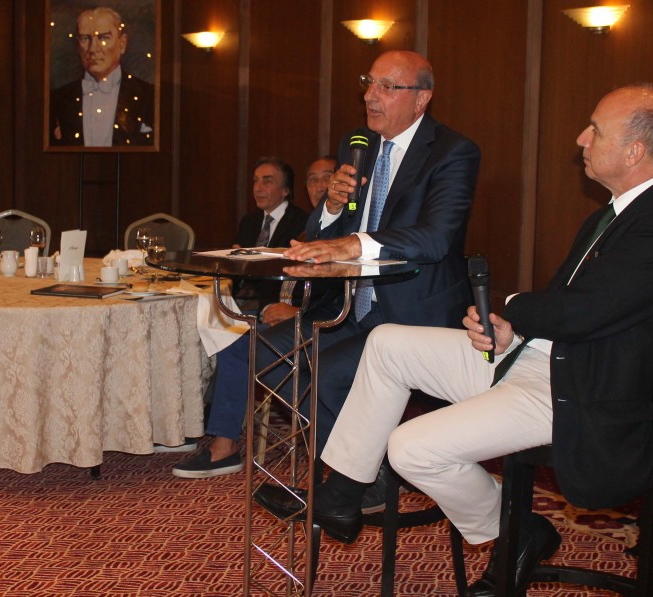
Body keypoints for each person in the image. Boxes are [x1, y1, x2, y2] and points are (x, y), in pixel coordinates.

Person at [254, 85, 653, 596]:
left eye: (595, 130)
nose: (581, 138)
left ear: (633, 152)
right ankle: (342, 493)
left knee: (409, 448)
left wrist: (511, 307)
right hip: (542, 357)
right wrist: (515, 330)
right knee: (386, 343)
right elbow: (586, 310)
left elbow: (585, 313)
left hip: (581, 389)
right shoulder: (617, 214)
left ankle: (513, 530)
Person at [171, 50, 481, 480]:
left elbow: (436, 238)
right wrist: (333, 206)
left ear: (421, 98)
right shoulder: (358, 144)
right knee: (262, 351)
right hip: (348, 307)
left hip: (412, 313)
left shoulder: (452, 152)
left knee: (327, 374)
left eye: (387, 87)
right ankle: (356, 472)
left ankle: (353, 479)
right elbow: (320, 233)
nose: (370, 96)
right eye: (368, 83)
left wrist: (352, 243)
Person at [49, 6, 155, 147]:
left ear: (122, 43)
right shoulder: (57, 100)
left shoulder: (150, 96)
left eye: (104, 37)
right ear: (77, 44)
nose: (93, 48)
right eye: (85, 38)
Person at [260, 155, 337, 326]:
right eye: (313, 180)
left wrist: (300, 313)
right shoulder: (303, 232)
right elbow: (272, 276)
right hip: (275, 320)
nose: (320, 187)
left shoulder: (346, 236)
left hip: (315, 325)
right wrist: (269, 309)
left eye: (328, 178)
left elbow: (342, 297)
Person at [231, 157, 309, 313]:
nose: (257, 188)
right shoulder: (249, 221)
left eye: (267, 182)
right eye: (255, 181)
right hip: (241, 298)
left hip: (277, 303)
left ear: (285, 190)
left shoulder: (302, 223)